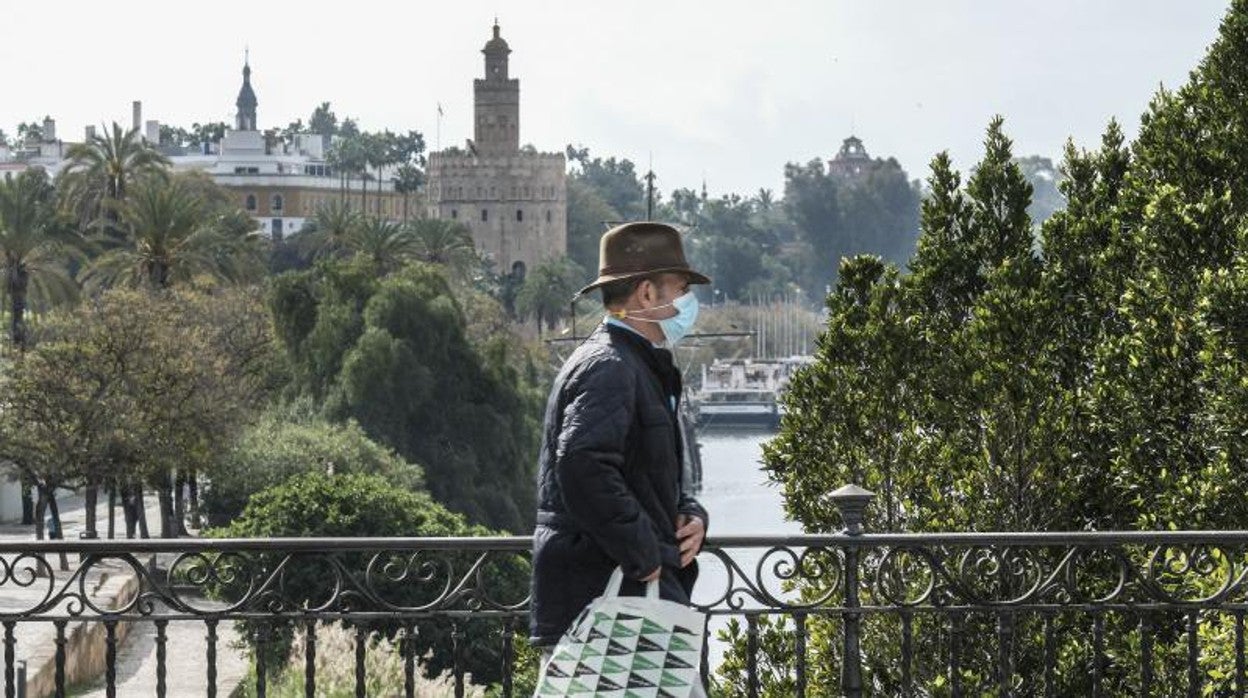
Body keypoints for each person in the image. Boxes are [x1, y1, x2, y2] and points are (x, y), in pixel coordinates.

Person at [530, 221, 711, 694]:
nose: (689, 301)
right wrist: (642, 552)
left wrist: (689, 513)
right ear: (648, 293)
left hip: (626, 598)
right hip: (612, 595)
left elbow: (644, 472)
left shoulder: (632, 363)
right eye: (681, 288)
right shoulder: (611, 366)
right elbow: (582, 465)